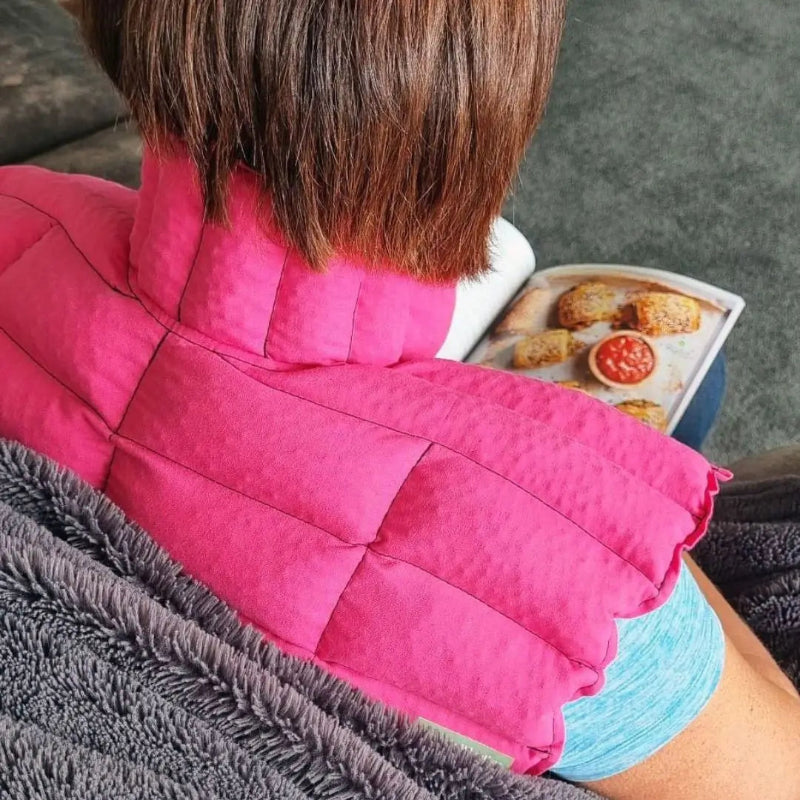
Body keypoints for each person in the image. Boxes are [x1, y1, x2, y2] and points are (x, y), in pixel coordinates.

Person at [0, 2, 798, 797]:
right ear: (495, 79)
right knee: (699, 390)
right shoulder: (573, 595)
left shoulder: (20, 206)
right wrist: (606, 513)